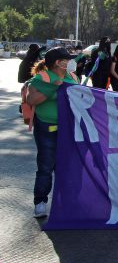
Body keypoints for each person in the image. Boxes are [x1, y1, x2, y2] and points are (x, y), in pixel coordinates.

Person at [25, 47, 79, 217]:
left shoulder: (73, 77)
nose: (71, 62)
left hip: (68, 129)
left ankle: (66, 201)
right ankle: (40, 202)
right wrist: (54, 88)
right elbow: (31, 99)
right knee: (46, 166)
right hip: (47, 128)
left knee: (67, 166)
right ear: (58, 62)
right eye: (68, 59)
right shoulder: (42, 78)